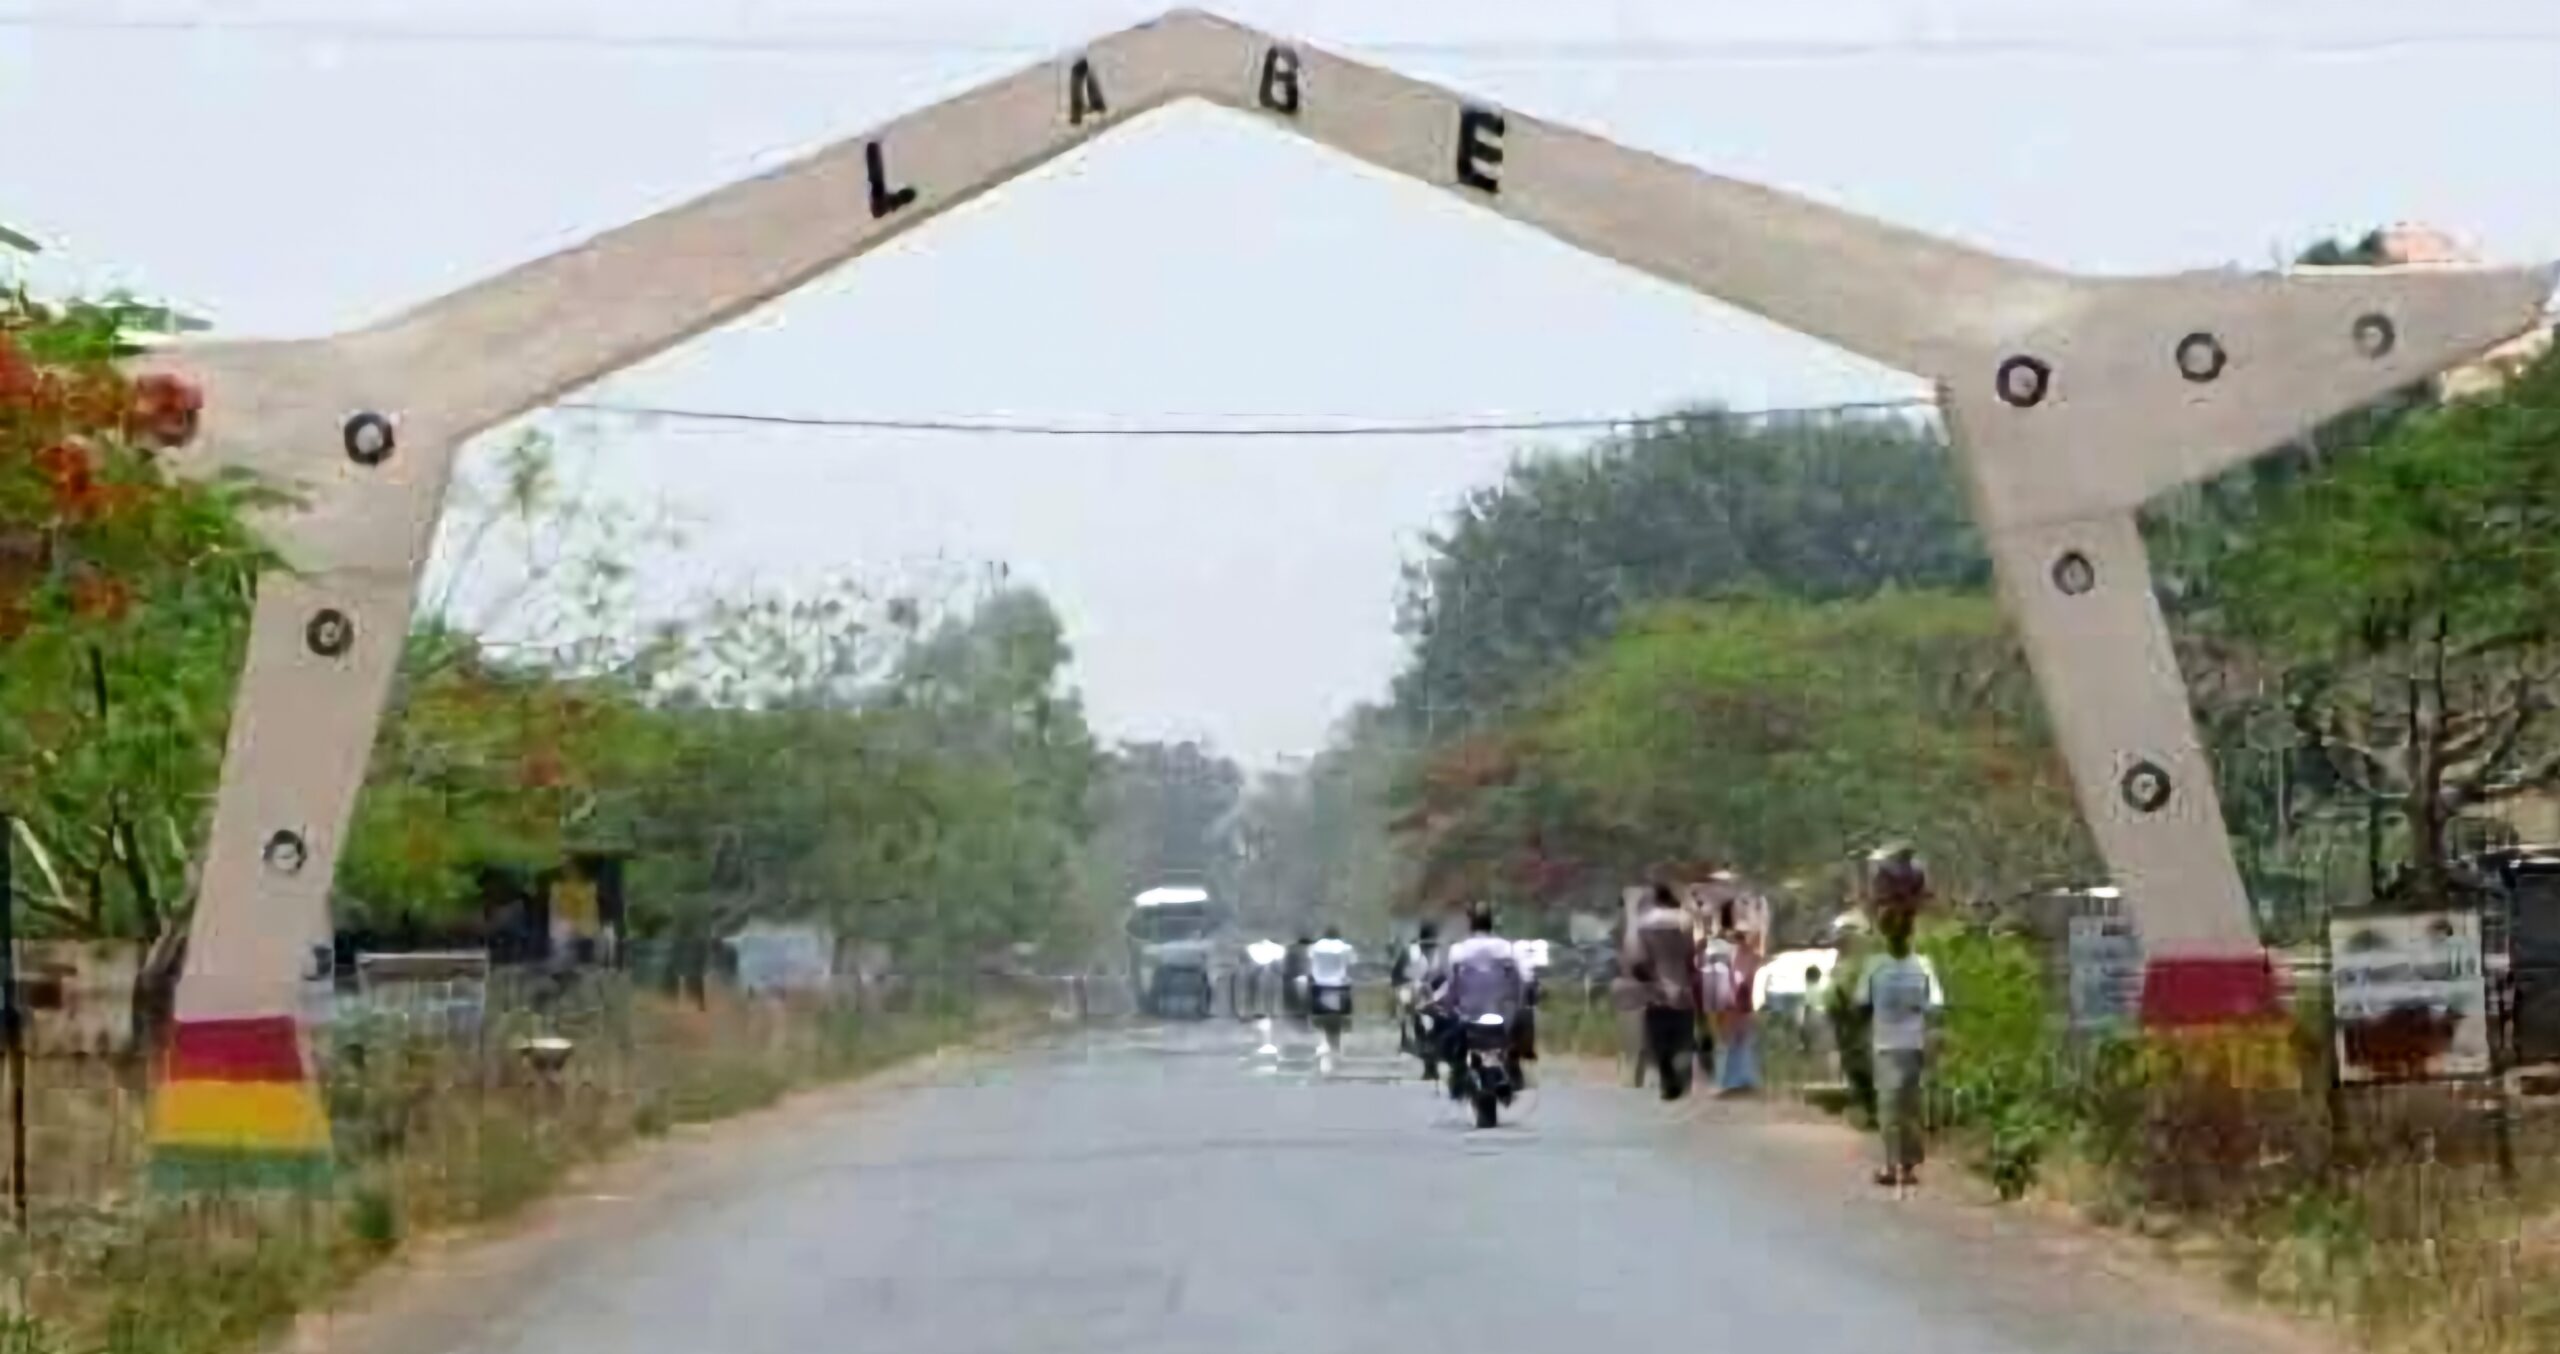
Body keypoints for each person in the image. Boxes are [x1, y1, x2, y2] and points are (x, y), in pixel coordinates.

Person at [1858, 898, 1944, 1190]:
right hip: (1911, 1043)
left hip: (1888, 1043)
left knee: (1892, 1107)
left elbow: (1861, 1003)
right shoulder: (1921, 965)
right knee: (1906, 1105)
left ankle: (1895, 1165)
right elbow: (1936, 1004)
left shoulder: (1876, 966)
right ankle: (1902, 1165)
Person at [1433, 904, 1526, 1097]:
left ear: (1471, 925)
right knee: (1517, 1035)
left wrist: (1438, 1003)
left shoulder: (1459, 951)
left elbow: (1450, 985)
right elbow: (1522, 982)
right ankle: (1514, 1069)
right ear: (1491, 924)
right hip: (1502, 1014)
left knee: (1448, 1039)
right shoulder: (1507, 949)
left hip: (1469, 1014)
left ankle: (1457, 1077)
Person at [1627, 883, 1702, 1101]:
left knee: (1660, 1041)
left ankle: (1668, 1080)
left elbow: (1635, 959)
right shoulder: (1687, 922)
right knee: (1682, 1037)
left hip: (1656, 992)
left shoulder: (1644, 924)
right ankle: (1682, 1076)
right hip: (1684, 992)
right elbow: (1697, 954)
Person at [1706, 923, 1762, 1096]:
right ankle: (1734, 1082)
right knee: (1734, 1044)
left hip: (1740, 1007)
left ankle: (1737, 1081)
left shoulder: (1745, 958)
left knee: (1738, 1044)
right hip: (1736, 1007)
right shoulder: (1740, 957)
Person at [1393, 922, 1443, 1079]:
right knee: (1418, 1024)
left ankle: (1431, 1062)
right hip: (1415, 994)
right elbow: (1397, 973)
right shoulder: (1411, 951)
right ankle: (1425, 1060)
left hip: (1435, 994)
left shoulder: (1441, 953)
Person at [1307, 925, 1357, 1074]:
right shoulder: (1345, 947)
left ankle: (1323, 1042)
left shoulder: (1315, 947)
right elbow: (1352, 963)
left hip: (1320, 984)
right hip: (1340, 984)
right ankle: (1337, 1045)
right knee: (1340, 1018)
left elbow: (1311, 964)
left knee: (1320, 1017)